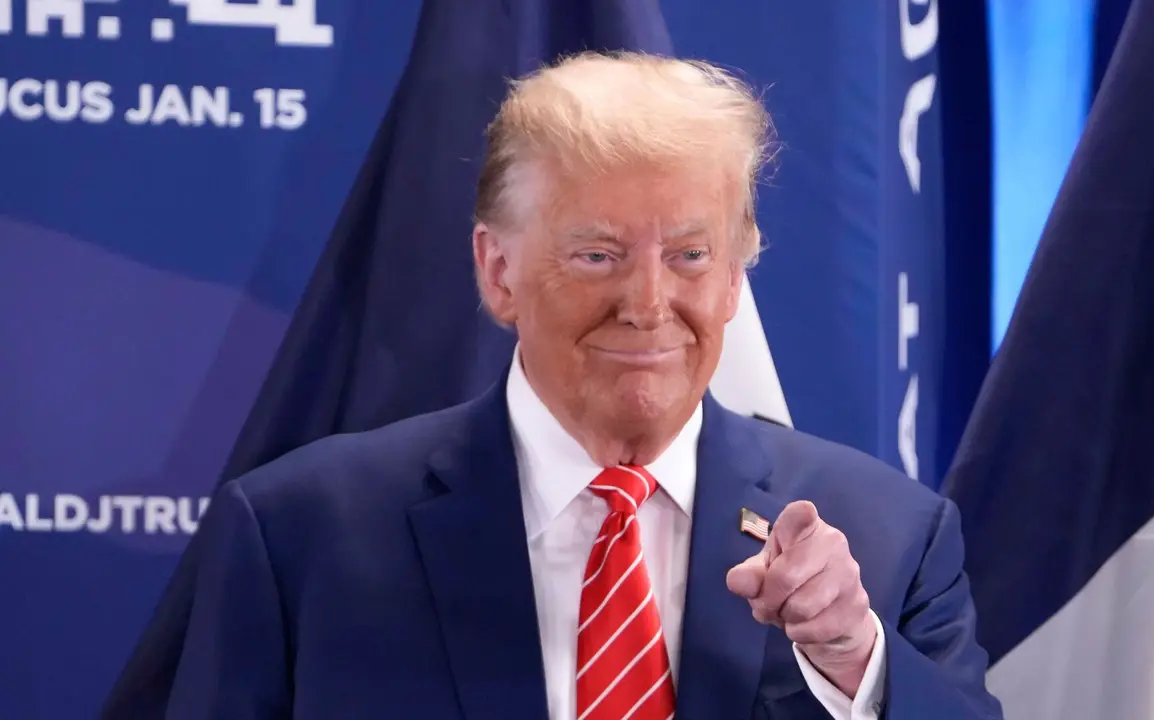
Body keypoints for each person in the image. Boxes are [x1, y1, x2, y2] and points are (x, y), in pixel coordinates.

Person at [149, 52, 1002, 719]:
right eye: (598, 255)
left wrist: (856, 658)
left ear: (736, 278)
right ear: (498, 271)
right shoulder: (299, 537)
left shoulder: (892, 539)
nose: (647, 303)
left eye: (691, 256)